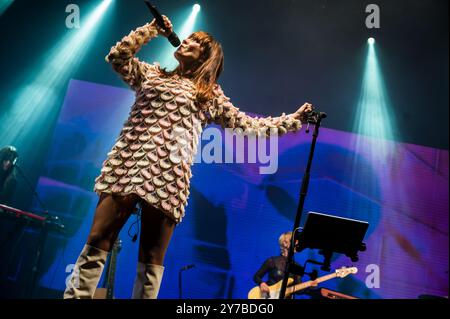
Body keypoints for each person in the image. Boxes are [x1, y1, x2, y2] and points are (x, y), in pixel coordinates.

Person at [64, 16, 313, 299]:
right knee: (98, 238)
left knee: (151, 257)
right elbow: (117, 57)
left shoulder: (209, 95)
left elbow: (250, 126)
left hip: (169, 177)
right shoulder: (151, 74)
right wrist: (152, 29)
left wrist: (293, 120)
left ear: (206, 58)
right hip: (127, 162)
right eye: (190, 37)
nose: (187, 41)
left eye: (196, 42)